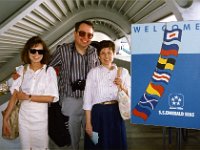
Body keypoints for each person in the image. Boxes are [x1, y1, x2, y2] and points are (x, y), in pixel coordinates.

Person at [48, 20, 100, 150]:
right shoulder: (63, 50)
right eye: (82, 33)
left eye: (90, 35)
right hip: (70, 101)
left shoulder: (94, 52)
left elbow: (101, 73)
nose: (85, 38)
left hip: (91, 103)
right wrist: (23, 71)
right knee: (72, 140)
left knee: (94, 137)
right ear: (75, 33)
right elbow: (46, 69)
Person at [2, 36, 59, 150]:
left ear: (44, 53)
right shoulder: (21, 70)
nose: (36, 54)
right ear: (27, 52)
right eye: (33, 50)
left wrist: (28, 97)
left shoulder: (49, 71)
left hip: (40, 121)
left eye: (40, 51)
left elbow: (51, 98)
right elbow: (14, 97)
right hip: (24, 119)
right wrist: (5, 119)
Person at [83, 40, 130, 150]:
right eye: (103, 53)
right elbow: (87, 100)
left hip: (116, 114)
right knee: (96, 144)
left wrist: (122, 86)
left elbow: (131, 94)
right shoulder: (93, 73)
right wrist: (88, 123)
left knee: (116, 144)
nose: (106, 56)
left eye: (109, 52)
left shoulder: (123, 72)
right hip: (97, 115)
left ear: (114, 54)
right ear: (99, 56)